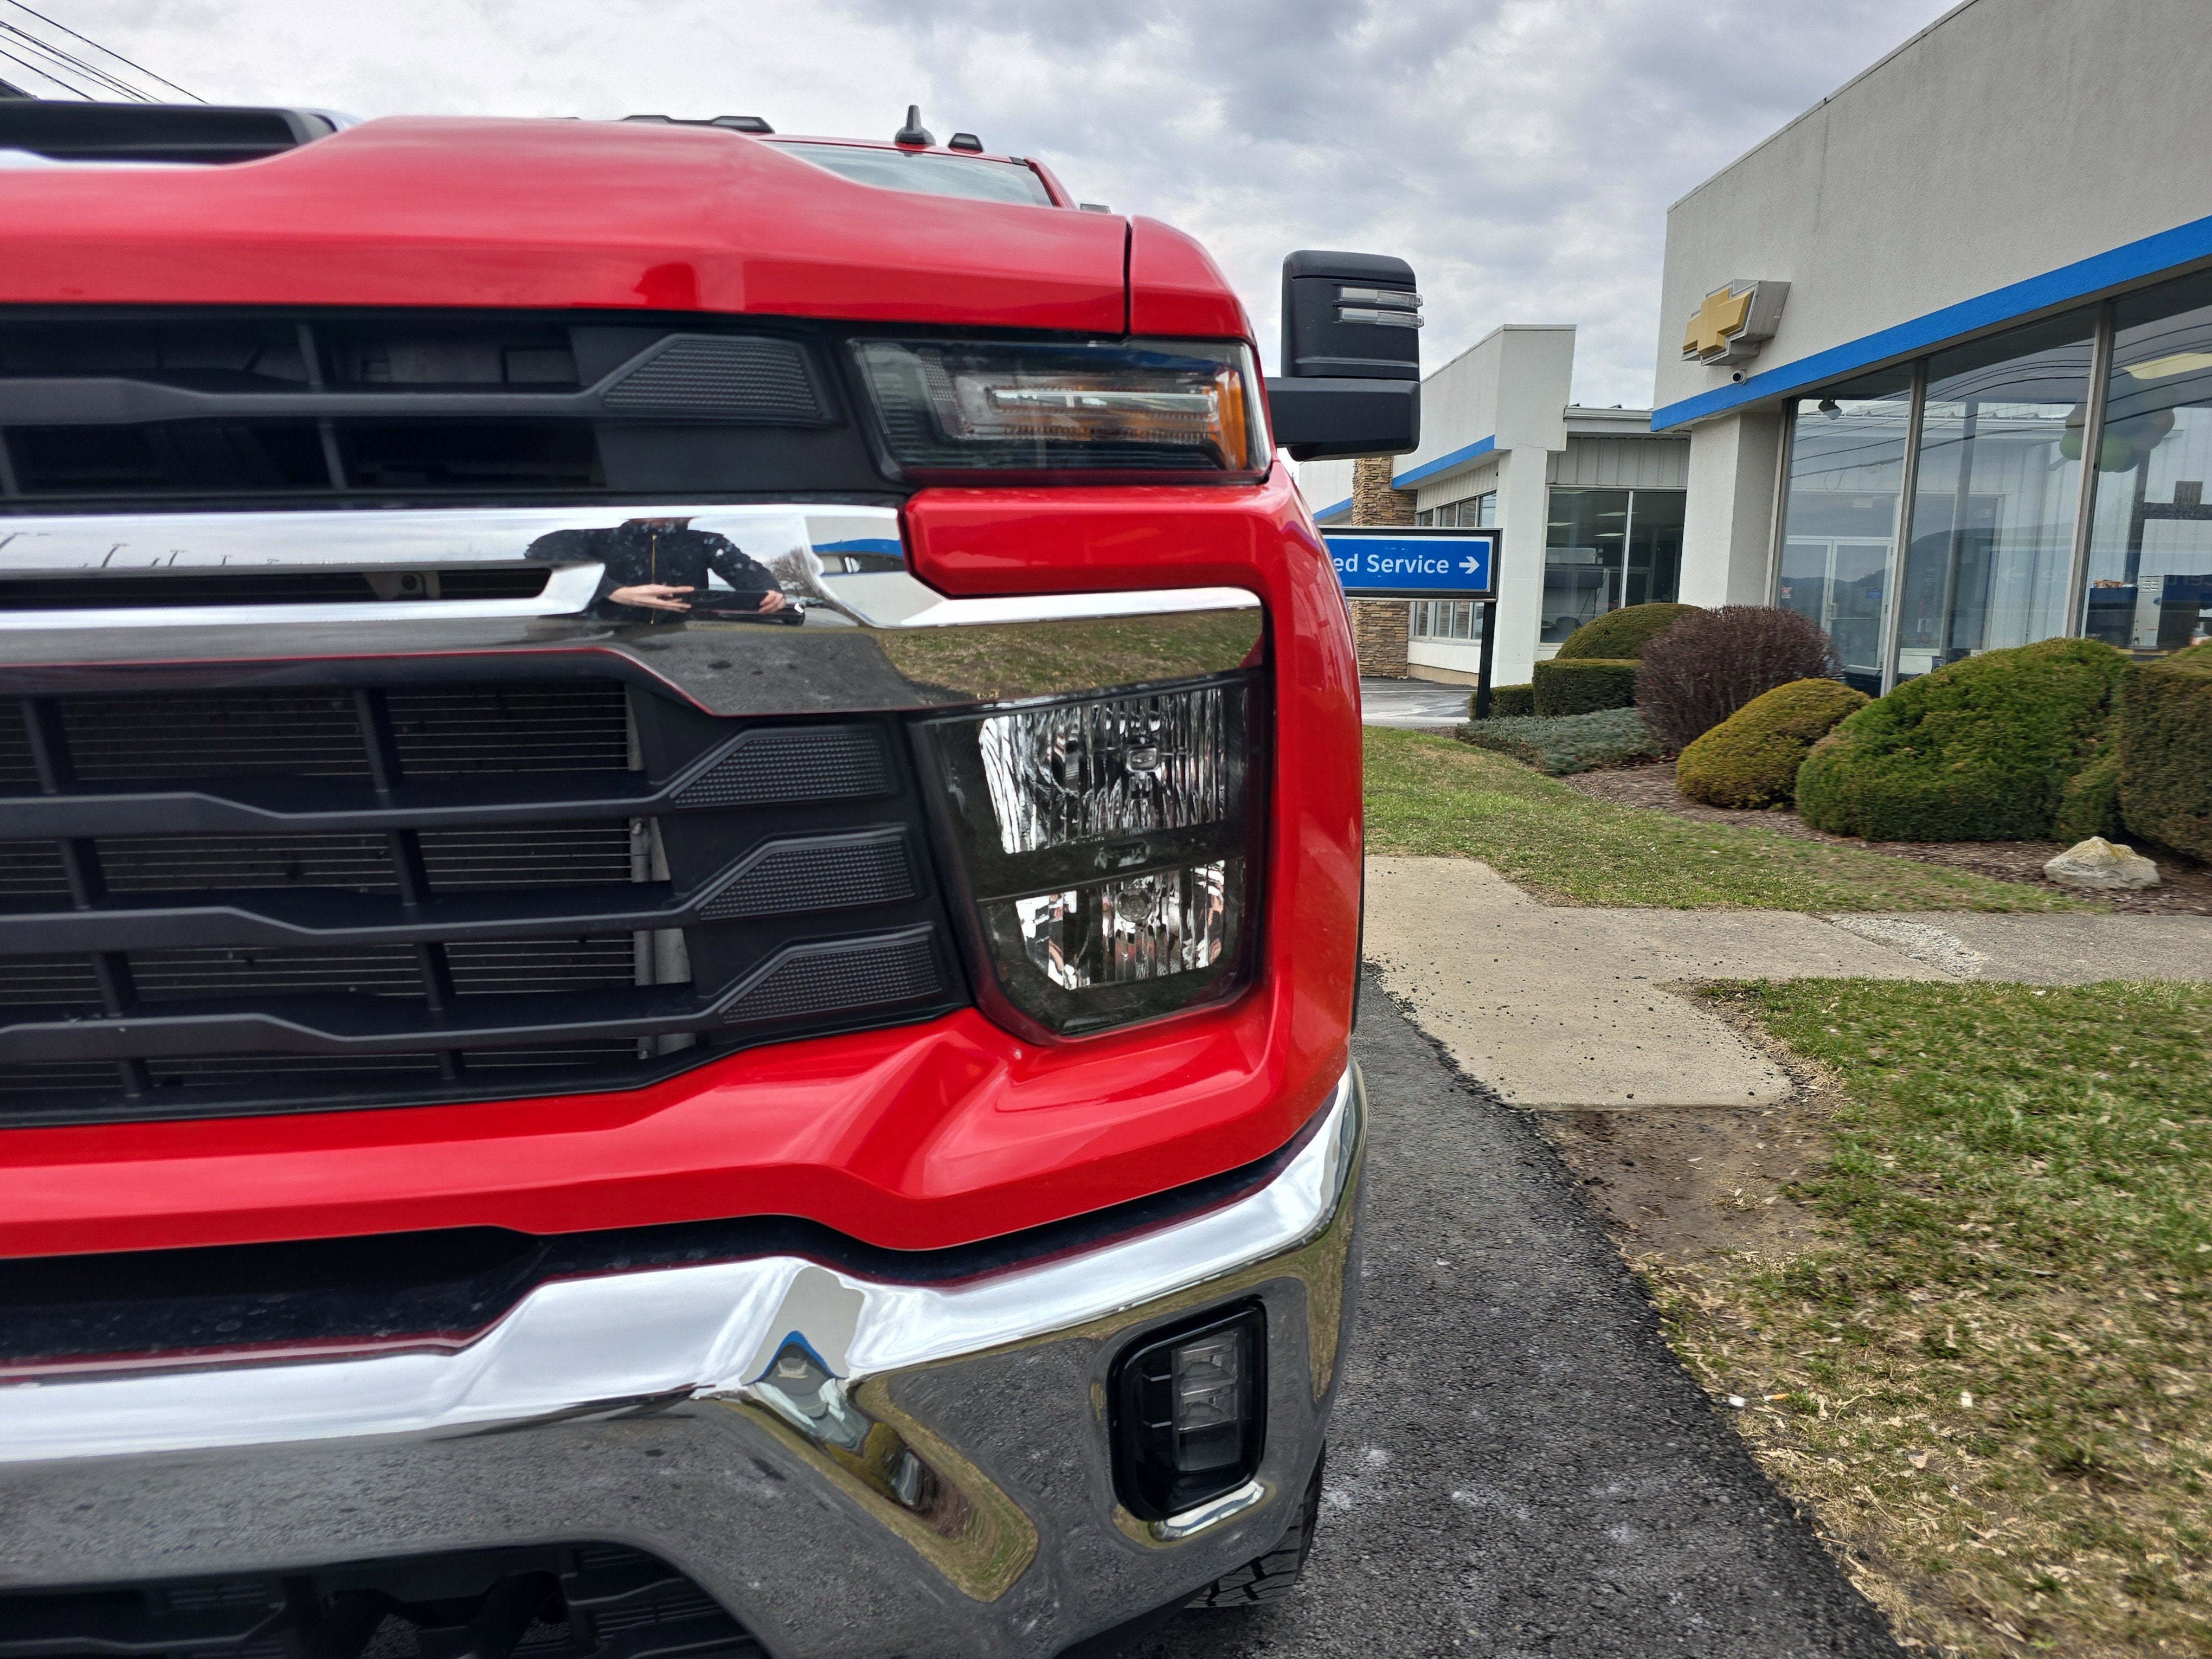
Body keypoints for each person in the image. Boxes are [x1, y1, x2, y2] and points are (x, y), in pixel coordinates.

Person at [580, 517, 790, 624]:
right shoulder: (597, 537)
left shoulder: (705, 541)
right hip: (608, 635)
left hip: (685, 636)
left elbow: (744, 569)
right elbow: (565, 568)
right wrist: (612, 591)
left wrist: (769, 590)